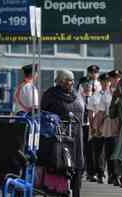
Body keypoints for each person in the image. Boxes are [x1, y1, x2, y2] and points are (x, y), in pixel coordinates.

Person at [41, 69, 85, 197]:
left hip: (77, 137)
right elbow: (44, 115)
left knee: (77, 167)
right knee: (60, 168)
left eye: (72, 80)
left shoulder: (77, 94)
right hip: (59, 138)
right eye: (67, 80)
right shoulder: (50, 94)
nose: (70, 83)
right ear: (59, 81)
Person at [95, 73, 121, 186]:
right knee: (111, 151)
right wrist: (97, 127)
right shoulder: (106, 95)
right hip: (110, 123)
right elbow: (101, 112)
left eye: (117, 78)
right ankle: (113, 175)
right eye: (113, 78)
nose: (115, 80)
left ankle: (119, 174)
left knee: (120, 151)